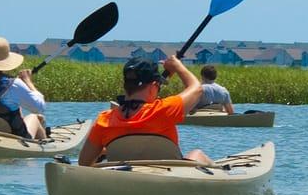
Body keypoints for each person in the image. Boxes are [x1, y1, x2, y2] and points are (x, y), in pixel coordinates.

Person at [78, 56, 213, 166]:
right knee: (197, 154)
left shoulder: (104, 120)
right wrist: (177, 66)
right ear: (154, 86)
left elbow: (84, 163)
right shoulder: (164, 109)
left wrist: (108, 151)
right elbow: (197, 88)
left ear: (125, 86)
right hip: (168, 177)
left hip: (124, 179)